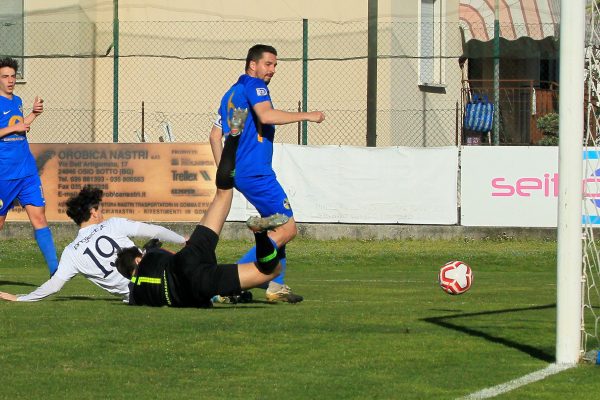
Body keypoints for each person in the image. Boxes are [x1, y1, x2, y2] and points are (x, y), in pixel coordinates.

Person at [115, 112, 286, 308]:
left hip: (198, 283)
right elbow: (170, 253)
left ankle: (261, 234)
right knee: (223, 194)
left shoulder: (136, 296)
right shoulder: (150, 256)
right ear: (138, 259)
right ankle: (232, 138)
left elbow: (137, 291)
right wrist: (153, 249)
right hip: (187, 260)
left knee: (271, 271)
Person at [209, 44, 325, 303]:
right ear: (253, 64)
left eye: (275, 65)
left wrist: (225, 173)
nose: (273, 70)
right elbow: (267, 114)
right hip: (257, 173)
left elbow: (215, 136)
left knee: (275, 227)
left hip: (241, 172)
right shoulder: (254, 87)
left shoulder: (231, 93)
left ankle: (275, 283)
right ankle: (224, 284)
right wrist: (308, 115)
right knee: (287, 229)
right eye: (268, 64)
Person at [0, 185, 186, 302]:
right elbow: (156, 230)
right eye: (100, 209)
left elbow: (54, 286)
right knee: (155, 250)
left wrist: (20, 298)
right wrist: (183, 240)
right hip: (157, 276)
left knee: (150, 250)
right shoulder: (112, 224)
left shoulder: (71, 251)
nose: (102, 213)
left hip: (137, 295)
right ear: (94, 212)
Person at [0, 57, 59, 276]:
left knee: (39, 217)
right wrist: (13, 128)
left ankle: (55, 271)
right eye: (5, 76)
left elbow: (20, 127)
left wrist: (34, 114)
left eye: (13, 76)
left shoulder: (17, 100)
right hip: (4, 174)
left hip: (26, 171)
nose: (10, 80)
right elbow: (13, 128)